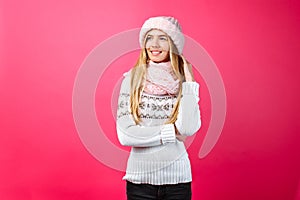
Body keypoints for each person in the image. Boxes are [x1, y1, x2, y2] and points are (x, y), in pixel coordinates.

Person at [116, 16, 201, 200]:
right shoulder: (131, 79)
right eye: (149, 37)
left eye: (162, 38)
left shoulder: (184, 83)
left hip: (178, 182)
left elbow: (187, 128)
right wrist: (171, 132)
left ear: (174, 44)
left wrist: (190, 83)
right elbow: (126, 135)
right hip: (140, 184)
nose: (154, 44)